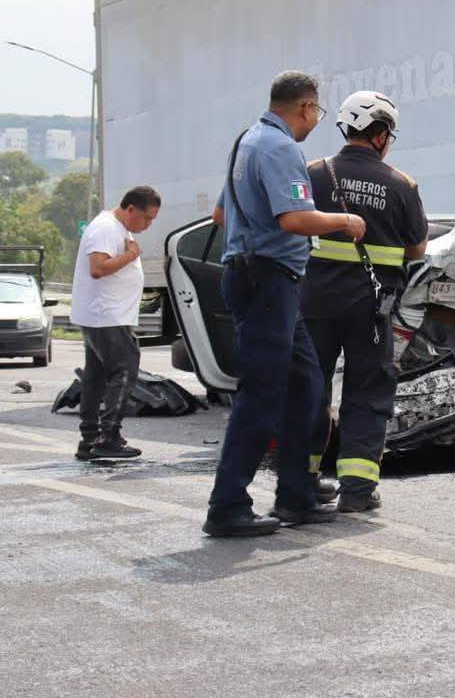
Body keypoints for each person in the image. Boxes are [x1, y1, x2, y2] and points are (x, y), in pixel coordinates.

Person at [202, 71, 366, 539]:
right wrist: (346, 220)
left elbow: (220, 214)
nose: (315, 120)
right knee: (261, 395)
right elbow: (294, 218)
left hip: (269, 280)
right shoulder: (278, 148)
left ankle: (296, 494)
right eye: (316, 112)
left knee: (307, 388)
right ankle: (227, 505)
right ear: (306, 108)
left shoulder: (246, 143)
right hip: (267, 281)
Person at [304, 91, 428, 513]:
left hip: (314, 304)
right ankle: (357, 490)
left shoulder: (314, 173)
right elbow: (416, 250)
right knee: (367, 392)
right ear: (380, 135)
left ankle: (302, 481)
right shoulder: (401, 184)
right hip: (371, 310)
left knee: (310, 388)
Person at [70, 186, 162, 460]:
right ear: (131, 209)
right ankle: (108, 436)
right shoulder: (106, 228)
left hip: (103, 316)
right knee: (124, 372)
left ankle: (90, 439)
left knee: (96, 377)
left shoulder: (118, 228)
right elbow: (98, 268)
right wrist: (131, 256)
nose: (148, 225)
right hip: (107, 317)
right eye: (147, 218)